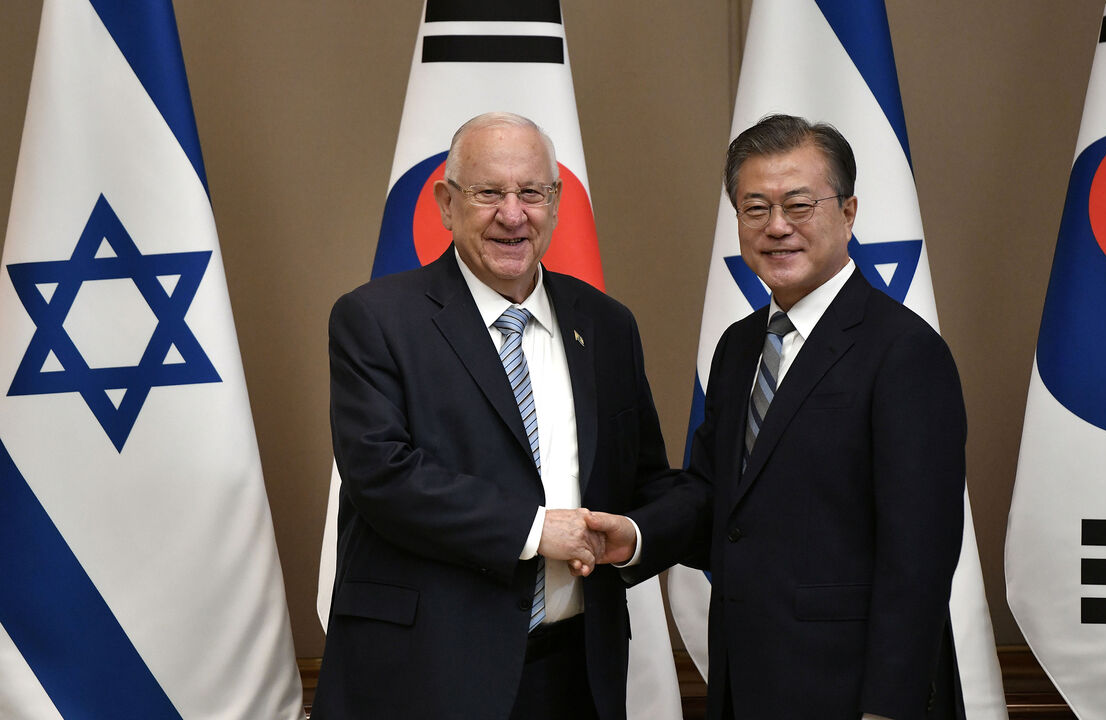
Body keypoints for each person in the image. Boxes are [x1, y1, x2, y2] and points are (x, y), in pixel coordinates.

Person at [312, 112, 687, 719]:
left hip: (574, 676)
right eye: (489, 193)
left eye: (532, 193)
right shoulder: (376, 320)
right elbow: (381, 474)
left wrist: (639, 535)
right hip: (426, 676)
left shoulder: (607, 325)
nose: (513, 215)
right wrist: (539, 531)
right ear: (445, 203)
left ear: (557, 202)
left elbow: (646, 478)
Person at [592, 114, 967, 719]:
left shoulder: (904, 350)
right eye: (755, 207)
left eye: (799, 204)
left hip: (855, 694)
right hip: (748, 681)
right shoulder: (740, 346)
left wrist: (888, 708)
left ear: (847, 213)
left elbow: (918, 557)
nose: (777, 227)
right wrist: (637, 535)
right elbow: (717, 495)